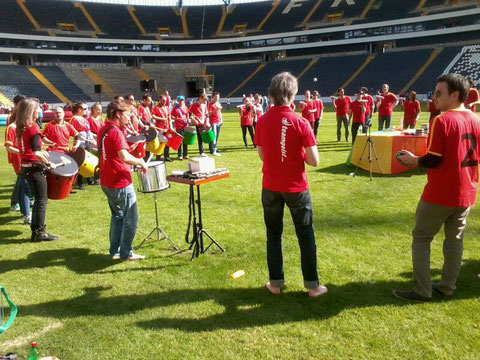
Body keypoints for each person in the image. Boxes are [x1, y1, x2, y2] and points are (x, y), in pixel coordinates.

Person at [394, 73, 480, 302]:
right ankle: (447, 286)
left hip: (441, 191)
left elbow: (433, 159)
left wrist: (413, 159)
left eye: (439, 93)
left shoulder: (442, 120)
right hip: (467, 191)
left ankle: (422, 290)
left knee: (421, 237)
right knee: (455, 241)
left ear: (455, 95)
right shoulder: (476, 119)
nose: (434, 98)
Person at [254, 72, 327, 298]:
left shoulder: (263, 120)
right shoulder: (301, 122)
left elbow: (262, 155)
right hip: (296, 188)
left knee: (273, 234)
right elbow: (314, 161)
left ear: (272, 94)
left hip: (271, 186)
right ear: (292, 94)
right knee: (305, 235)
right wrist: (294, 153)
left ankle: (275, 283)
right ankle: (313, 286)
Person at [98, 100, 148, 261]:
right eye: (127, 114)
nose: (130, 117)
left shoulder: (104, 129)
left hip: (106, 181)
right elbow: (124, 157)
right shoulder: (115, 132)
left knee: (117, 217)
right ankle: (126, 253)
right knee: (130, 219)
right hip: (119, 182)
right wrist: (140, 161)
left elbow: (113, 151)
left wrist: (127, 148)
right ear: (118, 114)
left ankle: (115, 251)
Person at [16, 97, 58, 242]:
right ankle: (40, 232)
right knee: (41, 200)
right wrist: (49, 163)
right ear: (31, 111)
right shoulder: (32, 127)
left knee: (38, 200)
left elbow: (24, 146)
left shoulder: (21, 126)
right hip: (34, 168)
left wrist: (44, 148)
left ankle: (36, 231)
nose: (40, 111)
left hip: (25, 167)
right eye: (38, 108)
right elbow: (36, 152)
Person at [4, 108, 31, 224]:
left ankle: (17, 205)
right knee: (24, 185)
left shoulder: (24, 127)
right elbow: (8, 146)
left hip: (26, 159)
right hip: (19, 160)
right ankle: (26, 214)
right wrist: (21, 152)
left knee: (21, 185)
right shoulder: (12, 128)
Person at [7, 94, 26, 212]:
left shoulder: (23, 116)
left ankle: (19, 201)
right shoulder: (12, 120)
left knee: (22, 178)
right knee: (22, 177)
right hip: (18, 154)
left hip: (22, 153)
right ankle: (15, 202)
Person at [70, 102, 96, 188]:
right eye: (85, 109)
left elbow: (88, 131)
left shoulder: (84, 119)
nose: (87, 110)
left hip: (87, 142)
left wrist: (93, 137)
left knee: (87, 161)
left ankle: (89, 179)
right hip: (80, 143)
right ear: (79, 110)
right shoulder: (74, 119)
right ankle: (79, 182)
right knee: (80, 162)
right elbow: (71, 130)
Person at [152, 95, 172, 161]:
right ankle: (158, 157)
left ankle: (166, 156)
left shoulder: (166, 107)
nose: (164, 102)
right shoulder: (156, 108)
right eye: (163, 100)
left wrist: (169, 117)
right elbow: (152, 116)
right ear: (160, 100)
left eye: (165, 101)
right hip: (160, 128)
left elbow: (169, 115)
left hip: (167, 127)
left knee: (167, 143)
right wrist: (161, 118)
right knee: (160, 143)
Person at [171, 95, 189, 160]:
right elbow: (171, 116)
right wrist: (176, 119)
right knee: (179, 141)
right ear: (178, 101)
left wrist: (187, 122)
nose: (181, 101)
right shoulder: (175, 108)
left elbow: (187, 115)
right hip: (179, 126)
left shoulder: (186, 107)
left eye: (182, 100)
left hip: (185, 126)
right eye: (180, 100)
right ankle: (179, 155)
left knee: (185, 140)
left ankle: (185, 154)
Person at [207, 92, 222, 156]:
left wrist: (221, 119)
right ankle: (212, 150)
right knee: (214, 136)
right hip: (213, 122)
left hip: (218, 121)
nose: (217, 98)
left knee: (217, 136)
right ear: (213, 97)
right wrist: (215, 110)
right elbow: (208, 113)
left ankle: (215, 147)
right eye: (216, 97)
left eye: (218, 97)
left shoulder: (218, 103)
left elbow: (220, 112)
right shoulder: (210, 104)